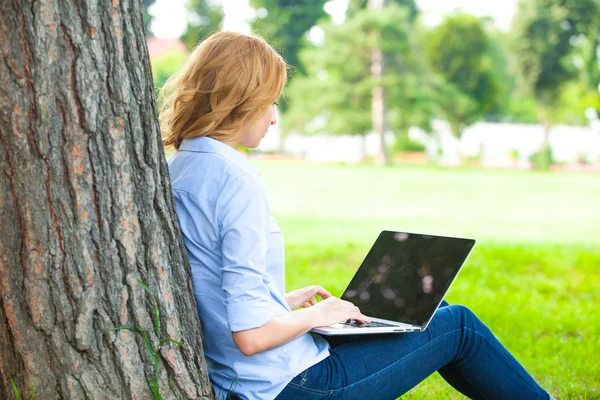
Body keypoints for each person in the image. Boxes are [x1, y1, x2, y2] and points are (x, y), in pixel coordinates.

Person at [160, 31, 553, 400]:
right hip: (292, 386)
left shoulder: (181, 167)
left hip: (248, 374)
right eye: (269, 102)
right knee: (460, 326)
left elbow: (214, 285)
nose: (273, 117)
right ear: (240, 102)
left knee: (434, 310)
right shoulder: (236, 180)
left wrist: (280, 302)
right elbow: (250, 337)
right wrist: (317, 314)